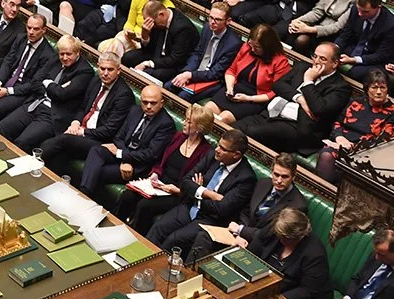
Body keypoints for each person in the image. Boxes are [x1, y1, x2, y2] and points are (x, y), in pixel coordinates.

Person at [146, 129, 258, 251]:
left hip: (210, 220)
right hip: (189, 207)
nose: (217, 150)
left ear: (236, 154)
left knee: (174, 239)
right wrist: (207, 193)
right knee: (158, 227)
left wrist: (195, 192)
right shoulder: (212, 156)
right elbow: (185, 181)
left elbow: (222, 209)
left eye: (223, 149)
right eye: (218, 144)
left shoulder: (246, 178)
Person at [187, 153, 309, 263]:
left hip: (260, 247)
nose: (278, 180)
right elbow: (246, 210)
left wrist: (241, 230)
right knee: (203, 237)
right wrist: (238, 234)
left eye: (285, 176)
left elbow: (272, 236)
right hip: (238, 234)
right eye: (276, 174)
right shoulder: (263, 183)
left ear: (293, 176)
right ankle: (190, 278)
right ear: (271, 171)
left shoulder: (298, 206)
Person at [235, 42, 352, 154]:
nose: (316, 62)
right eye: (315, 56)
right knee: (234, 130)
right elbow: (278, 85)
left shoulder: (340, 87)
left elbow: (319, 109)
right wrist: (299, 98)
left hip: (298, 127)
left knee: (251, 133)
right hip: (271, 114)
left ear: (335, 63)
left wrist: (308, 82)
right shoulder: (302, 67)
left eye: (322, 59)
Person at [114, 104, 214, 234]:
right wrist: (156, 173)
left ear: (199, 128)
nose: (183, 123)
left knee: (145, 205)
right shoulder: (178, 137)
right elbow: (160, 161)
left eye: (188, 122)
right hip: (159, 184)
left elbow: (196, 183)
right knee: (127, 196)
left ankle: (134, 238)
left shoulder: (205, 152)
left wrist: (178, 190)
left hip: (177, 193)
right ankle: (113, 228)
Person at [75, 84, 176, 200]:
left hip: (138, 166)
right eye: (145, 102)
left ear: (161, 103)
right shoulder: (135, 111)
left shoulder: (166, 124)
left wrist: (122, 155)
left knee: (97, 172)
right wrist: (125, 158)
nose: (148, 106)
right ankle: (82, 195)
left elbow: (150, 154)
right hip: (124, 154)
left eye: (153, 103)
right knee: (96, 150)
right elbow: (118, 137)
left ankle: (83, 198)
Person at [315, 70, 394, 182]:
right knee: (325, 153)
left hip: (363, 153)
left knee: (326, 155)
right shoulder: (356, 103)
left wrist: (350, 147)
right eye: (374, 87)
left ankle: (330, 192)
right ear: (367, 89)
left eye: (382, 88)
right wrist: (339, 138)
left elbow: (382, 142)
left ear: (388, 90)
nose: (378, 92)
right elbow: (338, 122)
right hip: (339, 143)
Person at [245, 208, 333, 299]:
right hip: (265, 289)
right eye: (280, 236)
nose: (281, 240)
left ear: (300, 235)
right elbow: (251, 254)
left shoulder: (314, 254)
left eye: (287, 238)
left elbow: (307, 291)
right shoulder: (275, 230)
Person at [204, 24, 291, 124]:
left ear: (267, 47)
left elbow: (274, 93)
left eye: (257, 47)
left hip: (256, 98)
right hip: (235, 89)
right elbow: (232, 70)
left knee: (225, 118)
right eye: (251, 45)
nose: (252, 49)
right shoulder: (246, 48)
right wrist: (229, 88)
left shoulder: (280, 62)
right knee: (207, 110)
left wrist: (248, 98)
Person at [167, 3, 242, 100]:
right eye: (211, 17)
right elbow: (197, 53)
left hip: (213, 80)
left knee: (183, 96)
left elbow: (216, 73)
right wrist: (187, 71)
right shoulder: (207, 28)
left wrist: (190, 75)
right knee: (169, 86)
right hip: (195, 71)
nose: (212, 22)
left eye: (218, 19)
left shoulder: (233, 44)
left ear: (228, 21)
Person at [333, 0, 394, 82]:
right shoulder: (355, 9)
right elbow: (346, 33)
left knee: (355, 73)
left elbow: (381, 55)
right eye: (359, 9)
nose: (360, 14)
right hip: (359, 47)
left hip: (381, 59)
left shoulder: (391, 25)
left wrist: (353, 60)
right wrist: (333, 48)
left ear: (378, 7)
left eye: (365, 11)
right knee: (327, 54)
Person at [120, 0, 200, 82]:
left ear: (161, 14)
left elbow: (176, 59)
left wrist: (148, 63)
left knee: (154, 74)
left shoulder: (183, 28)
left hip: (174, 62)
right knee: (127, 58)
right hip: (156, 54)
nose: (149, 24)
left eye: (150, 21)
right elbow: (148, 49)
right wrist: (145, 34)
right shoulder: (157, 22)